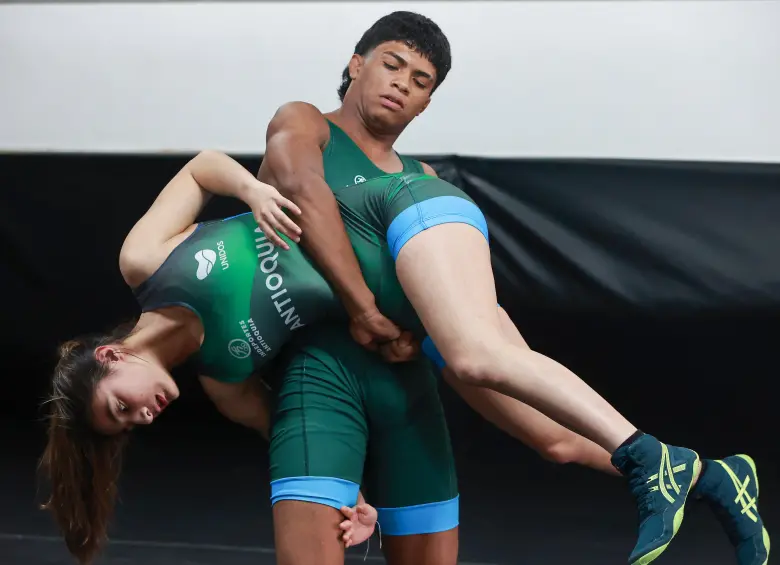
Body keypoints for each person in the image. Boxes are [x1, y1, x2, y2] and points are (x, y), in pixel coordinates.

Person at [257, 10, 769, 565]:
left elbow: (447, 297)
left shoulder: (423, 181)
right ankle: (681, 468)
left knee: (555, 436)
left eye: (421, 80)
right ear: (357, 65)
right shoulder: (306, 122)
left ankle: (711, 477)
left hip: (407, 369)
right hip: (325, 365)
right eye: (392, 65)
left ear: (426, 102)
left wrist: (448, 339)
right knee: (484, 364)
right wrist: (362, 308)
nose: (402, 83)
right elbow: (302, 189)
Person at [38, 150, 460, 565]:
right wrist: (355, 497)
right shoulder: (227, 380)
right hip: (401, 288)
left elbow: (202, 169)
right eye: (131, 423)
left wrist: (253, 192)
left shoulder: (146, 262)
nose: (144, 417)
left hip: (376, 213)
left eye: (121, 406)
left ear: (110, 355)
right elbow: (306, 437)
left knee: (478, 361)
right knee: (464, 363)